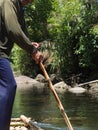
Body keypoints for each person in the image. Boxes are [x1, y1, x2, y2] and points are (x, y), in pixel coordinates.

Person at [0, 0, 43, 130]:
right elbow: (13, 29)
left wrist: (30, 44)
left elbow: (21, 29)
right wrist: (32, 50)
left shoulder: (19, 7)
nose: (31, 2)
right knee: (9, 85)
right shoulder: (9, 1)